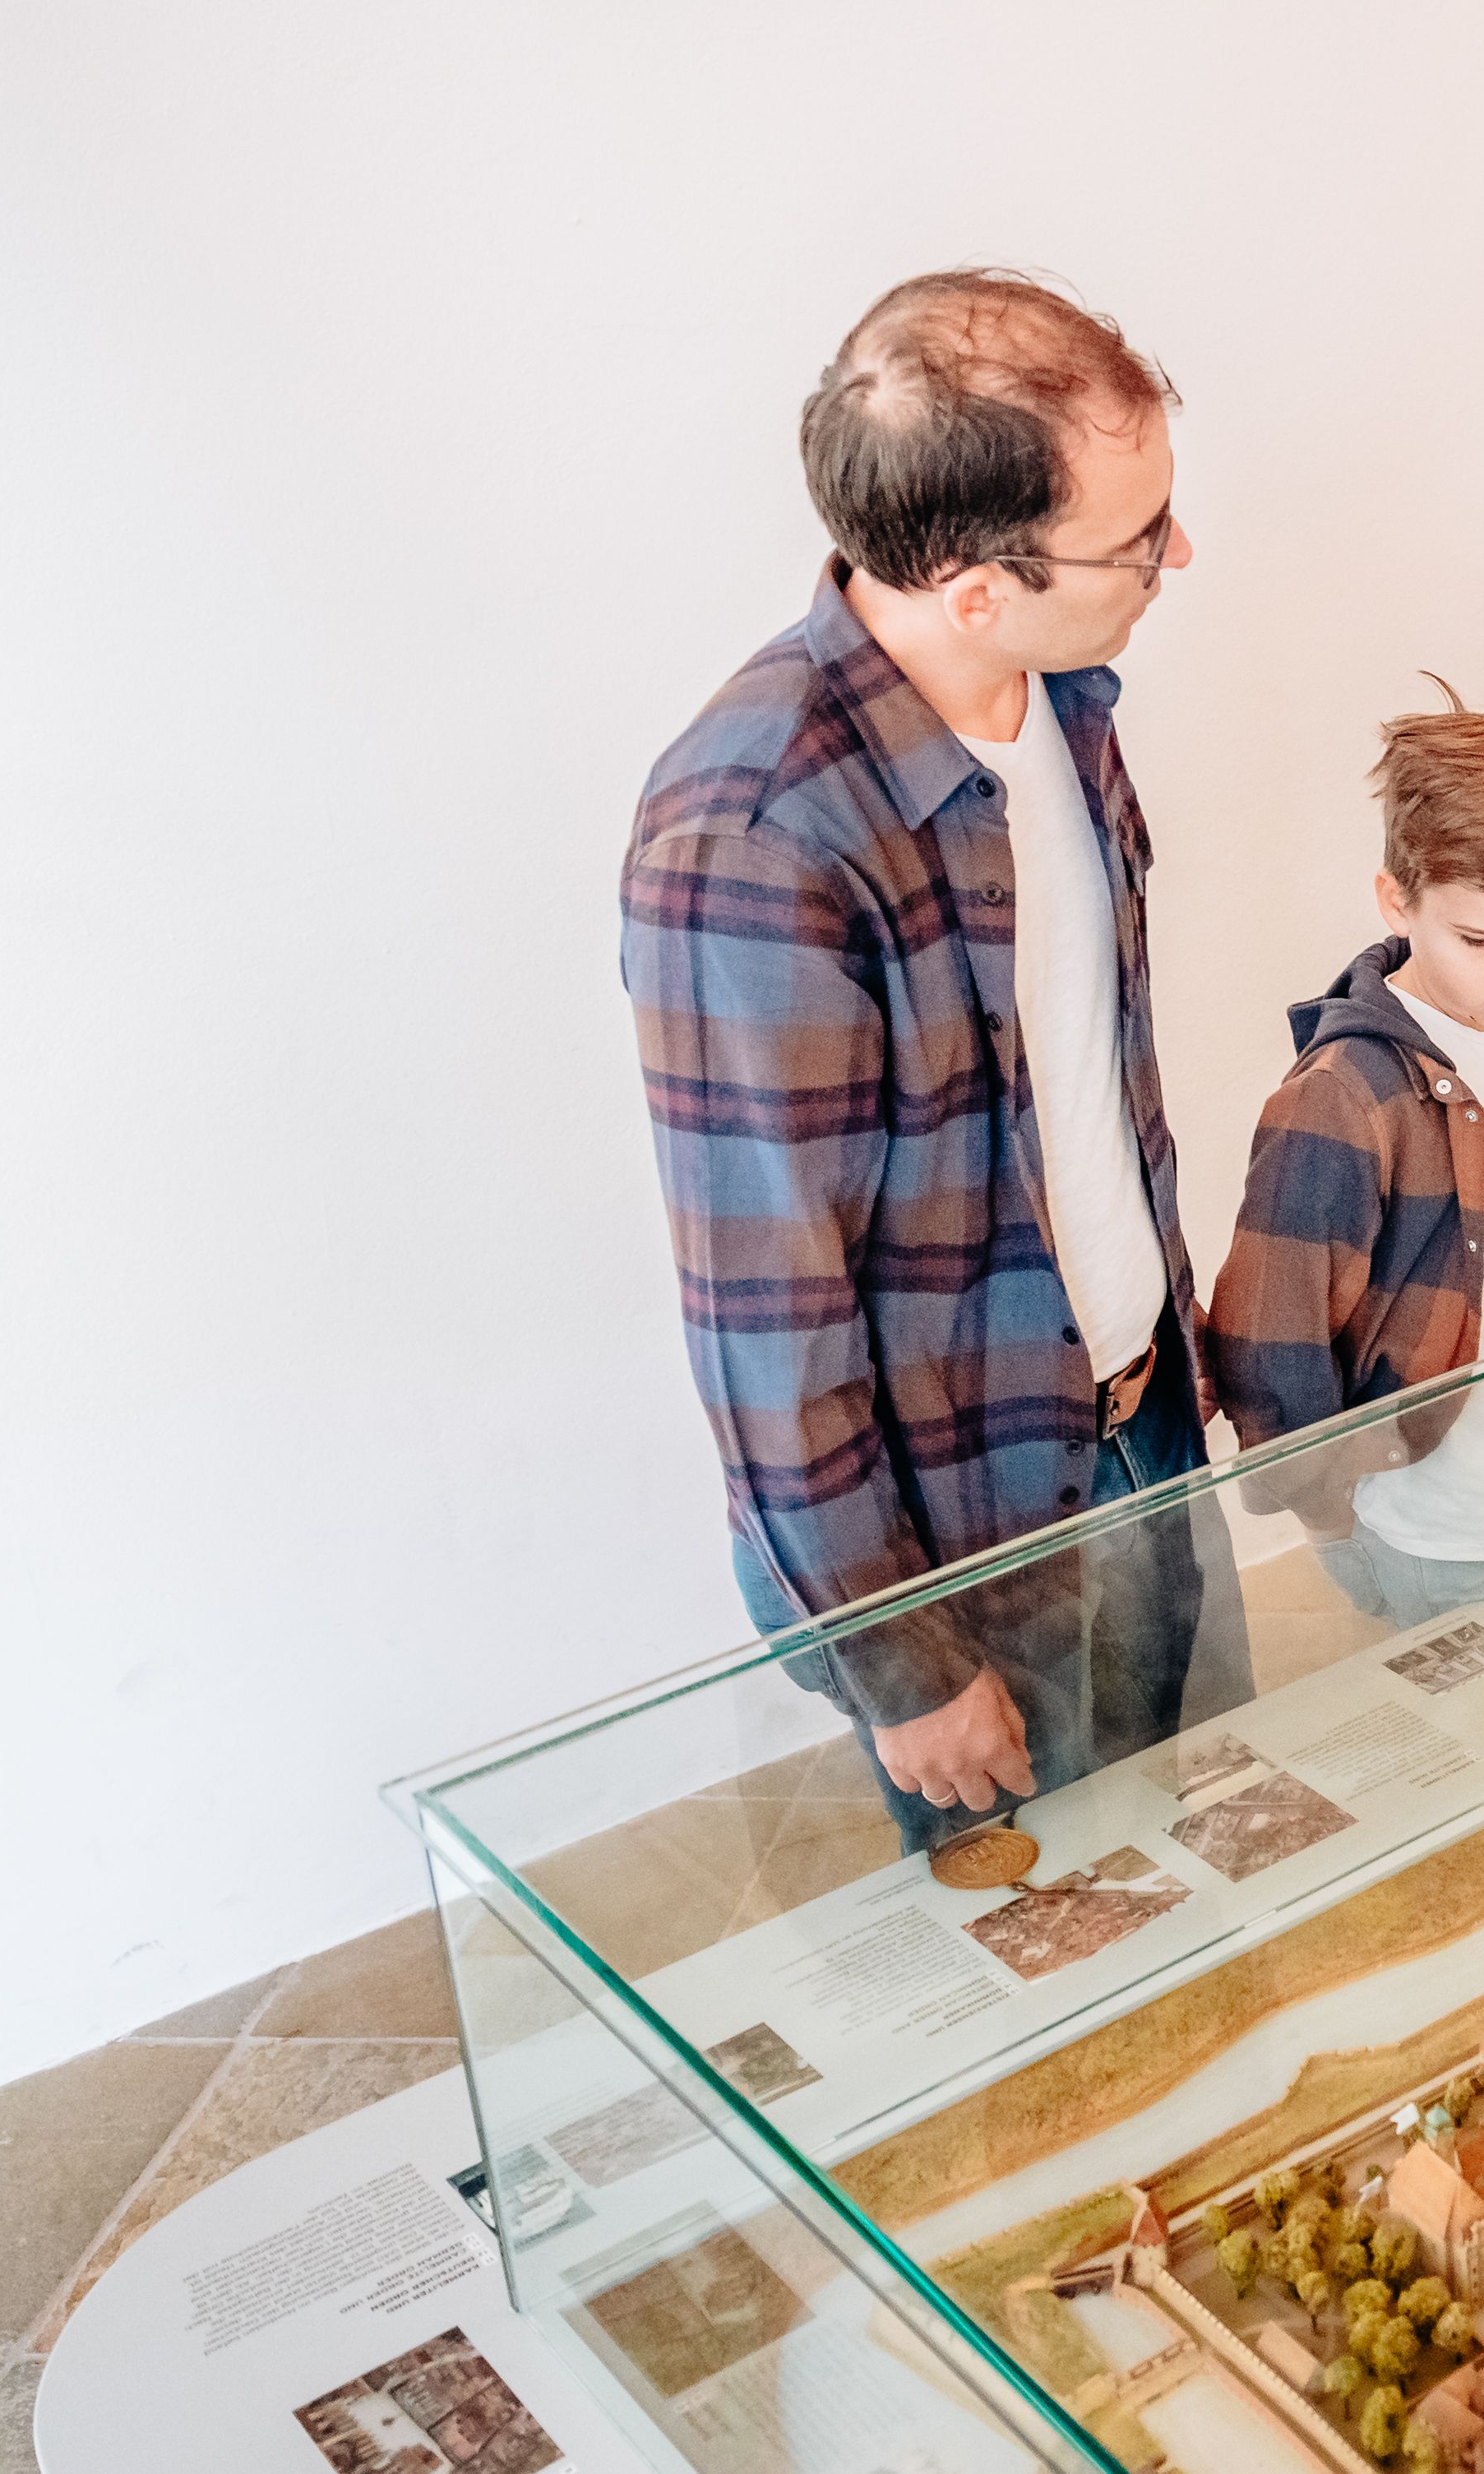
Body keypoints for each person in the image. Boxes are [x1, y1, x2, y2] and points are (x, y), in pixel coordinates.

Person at [624, 268, 1225, 1880]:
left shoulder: (1066, 703)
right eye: (1139, 536)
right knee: (1061, 1977)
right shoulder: (754, 840)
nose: (1180, 556)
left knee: (1205, 1873)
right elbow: (769, 1321)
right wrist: (907, 1666)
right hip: (969, 1537)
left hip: (1137, 1428)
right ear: (972, 584)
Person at [1203, 697, 1484, 1628]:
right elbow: (1270, 1331)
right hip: (1448, 1526)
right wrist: (1327, 1510)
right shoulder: (1344, 1092)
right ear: (1396, 900)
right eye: (1479, 940)